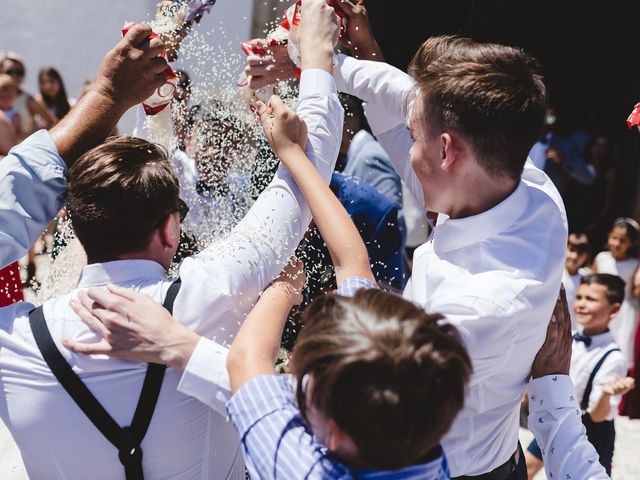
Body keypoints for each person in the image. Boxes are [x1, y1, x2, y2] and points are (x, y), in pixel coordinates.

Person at [0, 4, 342, 477]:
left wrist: (106, 95)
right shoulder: (216, 285)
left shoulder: (12, 341)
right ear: (169, 229)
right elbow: (305, 175)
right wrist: (319, 57)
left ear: (75, 227)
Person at [68, 83, 467, 477]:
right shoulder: (429, 453)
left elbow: (246, 363)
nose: (290, 365)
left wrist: (173, 340)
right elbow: (352, 263)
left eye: (301, 380)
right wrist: (296, 155)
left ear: (330, 434)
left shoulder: (299, 465)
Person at [246, 5, 569, 477]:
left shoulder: (480, 306)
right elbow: (402, 101)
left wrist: (183, 350)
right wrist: (313, 59)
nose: (403, 143)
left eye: (416, 137)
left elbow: (315, 391)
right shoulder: (528, 187)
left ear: (446, 150)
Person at [525, 274, 635, 476]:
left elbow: (597, 415)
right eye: (580, 297)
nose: (582, 304)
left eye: (591, 299)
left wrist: (607, 393)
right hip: (558, 416)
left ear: (615, 309)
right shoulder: (570, 338)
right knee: (526, 468)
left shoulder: (613, 357)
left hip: (593, 432)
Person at [593, 217, 640, 367]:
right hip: (599, 307)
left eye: (622, 241)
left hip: (622, 313)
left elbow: (635, 292)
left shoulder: (634, 265)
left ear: (632, 244)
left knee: (616, 348)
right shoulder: (601, 258)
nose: (616, 243)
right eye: (614, 238)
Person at [0, 51, 57, 138]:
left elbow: (52, 123)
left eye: (19, 72)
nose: (14, 76)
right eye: (10, 71)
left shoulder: (29, 100)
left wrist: (25, 135)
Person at [563, 232, 591, 329]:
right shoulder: (556, 274)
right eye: (571, 250)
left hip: (576, 330)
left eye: (580, 253)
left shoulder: (587, 278)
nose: (575, 256)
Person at [0, 72, 20, 156]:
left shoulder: (15, 114)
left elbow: (18, 135)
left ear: (14, 96)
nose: (5, 100)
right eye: (2, 97)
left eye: (9, 96)